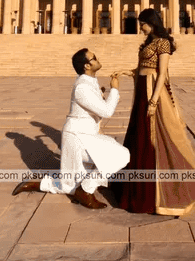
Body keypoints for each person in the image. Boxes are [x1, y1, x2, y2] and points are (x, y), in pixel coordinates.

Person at [12, 48, 129, 209]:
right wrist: (114, 89)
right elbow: (107, 111)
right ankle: (86, 190)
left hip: (88, 136)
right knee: (121, 155)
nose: (97, 59)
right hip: (78, 138)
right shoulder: (82, 88)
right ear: (87, 66)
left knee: (69, 185)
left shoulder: (90, 82)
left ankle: (38, 183)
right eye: (93, 58)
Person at [114, 8, 195, 215]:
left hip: (153, 89)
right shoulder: (147, 43)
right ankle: (135, 189)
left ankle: (159, 193)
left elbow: (162, 73)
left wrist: (154, 100)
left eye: (142, 23)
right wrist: (127, 72)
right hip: (141, 88)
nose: (140, 27)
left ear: (151, 22)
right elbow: (142, 67)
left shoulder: (163, 43)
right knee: (139, 134)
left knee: (155, 135)